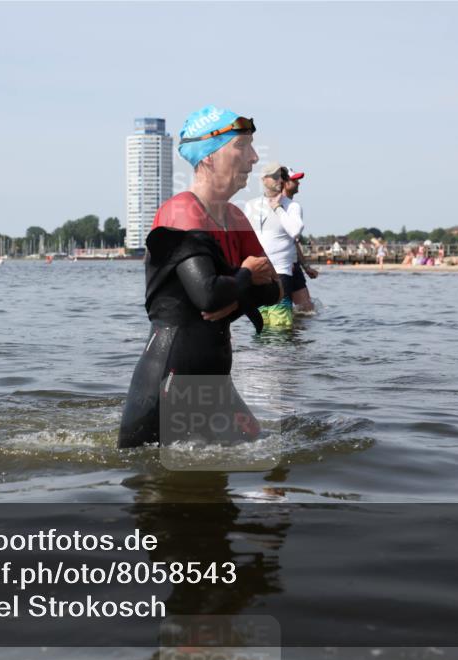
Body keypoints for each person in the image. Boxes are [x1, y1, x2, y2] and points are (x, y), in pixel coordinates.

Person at [118, 106, 282, 449]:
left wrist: (238, 292)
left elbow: (275, 289)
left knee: (268, 455)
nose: (254, 158)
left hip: (213, 380)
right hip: (170, 379)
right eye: (242, 146)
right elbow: (207, 296)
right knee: (163, 480)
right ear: (208, 156)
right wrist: (246, 277)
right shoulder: (181, 211)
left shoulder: (235, 218)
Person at [244, 163, 304, 329]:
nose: (280, 180)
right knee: (260, 326)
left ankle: (284, 348)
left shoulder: (292, 206)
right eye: (275, 176)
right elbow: (246, 237)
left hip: (281, 272)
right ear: (264, 179)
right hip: (258, 272)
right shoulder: (251, 205)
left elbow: (295, 231)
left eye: (283, 177)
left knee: (280, 328)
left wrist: (277, 208)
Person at [279, 167, 318, 314]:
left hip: (293, 264)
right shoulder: (284, 206)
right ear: (285, 182)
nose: (298, 183)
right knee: (286, 311)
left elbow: (294, 241)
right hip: (282, 264)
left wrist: (306, 267)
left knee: (307, 309)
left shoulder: (291, 205)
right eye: (295, 180)